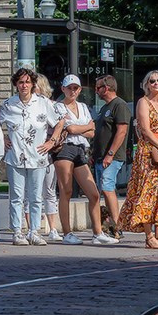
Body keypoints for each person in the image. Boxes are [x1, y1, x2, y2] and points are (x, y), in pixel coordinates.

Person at [48, 74, 117, 245]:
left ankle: (97, 232)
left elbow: (91, 131)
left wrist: (77, 128)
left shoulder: (83, 107)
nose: (72, 91)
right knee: (66, 190)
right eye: (69, 87)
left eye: (75, 88)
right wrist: (80, 128)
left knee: (93, 193)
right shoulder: (57, 107)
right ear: (63, 89)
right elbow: (67, 128)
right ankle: (67, 232)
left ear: (79, 90)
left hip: (80, 149)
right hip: (64, 149)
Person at [119, 70, 158, 249]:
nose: (156, 83)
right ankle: (149, 236)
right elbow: (145, 129)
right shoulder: (143, 103)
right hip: (148, 152)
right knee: (147, 192)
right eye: (152, 81)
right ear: (146, 84)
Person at [0, 67, 56, 246]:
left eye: (27, 82)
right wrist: (3, 138)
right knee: (16, 196)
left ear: (32, 84)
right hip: (15, 156)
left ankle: (34, 231)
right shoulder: (9, 105)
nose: (24, 85)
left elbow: (60, 120)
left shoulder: (43, 103)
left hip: (37, 155)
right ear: (16, 84)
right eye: (21, 82)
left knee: (36, 196)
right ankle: (17, 231)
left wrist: (51, 141)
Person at [92, 75, 132, 239]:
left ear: (106, 88)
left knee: (107, 187)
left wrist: (110, 153)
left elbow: (121, 131)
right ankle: (109, 226)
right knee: (103, 189)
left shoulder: (119, 105)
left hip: (112, 157)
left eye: (98, 87)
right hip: (100, 157)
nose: (96, 91)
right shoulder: (104, 108)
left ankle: (116, 226)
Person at [35, 73, 63, 240]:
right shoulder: (27, 106)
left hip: (48, 153)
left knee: (49, 191)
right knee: (30, 193)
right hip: (31, 153)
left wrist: (51, 142)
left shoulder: (51, 106)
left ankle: (53, 228)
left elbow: (60, 125)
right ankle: (33, 228)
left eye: (35, 86)